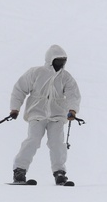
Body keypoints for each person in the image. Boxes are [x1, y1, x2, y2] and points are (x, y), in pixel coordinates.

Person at [9, 44, 81, 185]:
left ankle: (59, 173)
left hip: (57, 116)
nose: (61, 64)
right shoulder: (36, 73)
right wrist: (15, 108)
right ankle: (19, 170)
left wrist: (72, 110)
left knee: (57, 144)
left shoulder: (66, 77)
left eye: (63, 61)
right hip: (37, 114)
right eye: (58, 60)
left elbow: (73, 94)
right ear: (50, 60)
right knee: (33, 140)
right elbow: (20, 89)